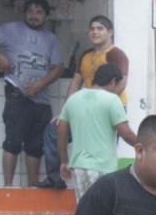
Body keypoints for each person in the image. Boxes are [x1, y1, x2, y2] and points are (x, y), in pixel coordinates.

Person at [0, 0, 64, 187]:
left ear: (46, 16)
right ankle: (8, 188)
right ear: (25, 13)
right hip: (17, 95)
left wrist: (40, 85)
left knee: (36, 147)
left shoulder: (51, 38)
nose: (34, 16)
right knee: (13, 142)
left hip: (41, 100)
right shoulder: (11, 29)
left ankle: (32, 188)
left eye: (39, 12)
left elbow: (58, 67)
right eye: (30, 11)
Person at [42, 15, 130, 189]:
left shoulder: (116, 54)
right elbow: (75, 82)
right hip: (84, 107)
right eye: (92, 28)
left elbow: (122, 81)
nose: (95, 32)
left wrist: (104, 101)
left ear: (110, 32)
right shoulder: (86, 54)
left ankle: (108, 187)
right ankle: (55, 179)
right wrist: (65, 111)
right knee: (54, 131)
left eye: (100, 28)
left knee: (105, 149)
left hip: (110, 108)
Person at [57, 63, 137, 201]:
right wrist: (145, 148)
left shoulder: (73, 99)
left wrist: (64, 161)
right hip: (103, 168)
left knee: (84, 210)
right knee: (103, 213)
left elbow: (61, 132)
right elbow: (126, 134)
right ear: (113, 81)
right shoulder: (112, 100)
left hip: (79, 167)